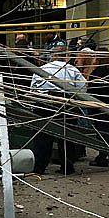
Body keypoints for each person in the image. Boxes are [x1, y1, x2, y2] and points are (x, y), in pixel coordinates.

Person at [30, 42, 86, 175]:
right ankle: (67, 167)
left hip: (44, 104)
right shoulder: (72, 70)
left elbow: (33, 89)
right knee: (66, 137)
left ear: (53, 55)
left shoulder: (42, 69)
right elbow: (83, 87)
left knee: (43, 137)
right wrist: (75, 100)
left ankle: (39, 167)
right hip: (66, 104)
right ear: (66, 56)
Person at [76, 46, 109, 166]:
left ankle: (102, 157)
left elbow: (92, 91)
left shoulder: (97, 73)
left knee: (102, 132)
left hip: (100, 107)